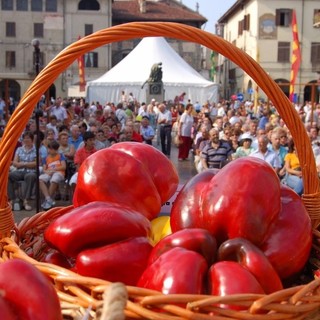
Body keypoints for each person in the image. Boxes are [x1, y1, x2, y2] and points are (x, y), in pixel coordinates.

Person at [7, 131, 37, 211]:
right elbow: (15, 163)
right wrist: (26, 164)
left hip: (31, 171)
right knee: (8, 176)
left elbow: (35, 164)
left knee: (30, 176)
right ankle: (11, 200)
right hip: (20, 171)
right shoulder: (19, 149)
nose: (26, 140)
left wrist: (22, 163)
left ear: (32, 139)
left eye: (28, 138)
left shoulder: (36, 149)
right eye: (25, 138)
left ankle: (26, 200)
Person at [39, 140, 66, 210]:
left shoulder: (60, 156)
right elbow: (44, 169)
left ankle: (47, 201)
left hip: (58, 172)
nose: (49, 150)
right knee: (40, 179)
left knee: (54, 179)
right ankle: (48, 199)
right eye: (49, 148)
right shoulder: (46, 158)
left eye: (51, 149)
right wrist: (47, 171)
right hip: (49, 172)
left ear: (56, 150)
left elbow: (63, 167)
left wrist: (54, 170)